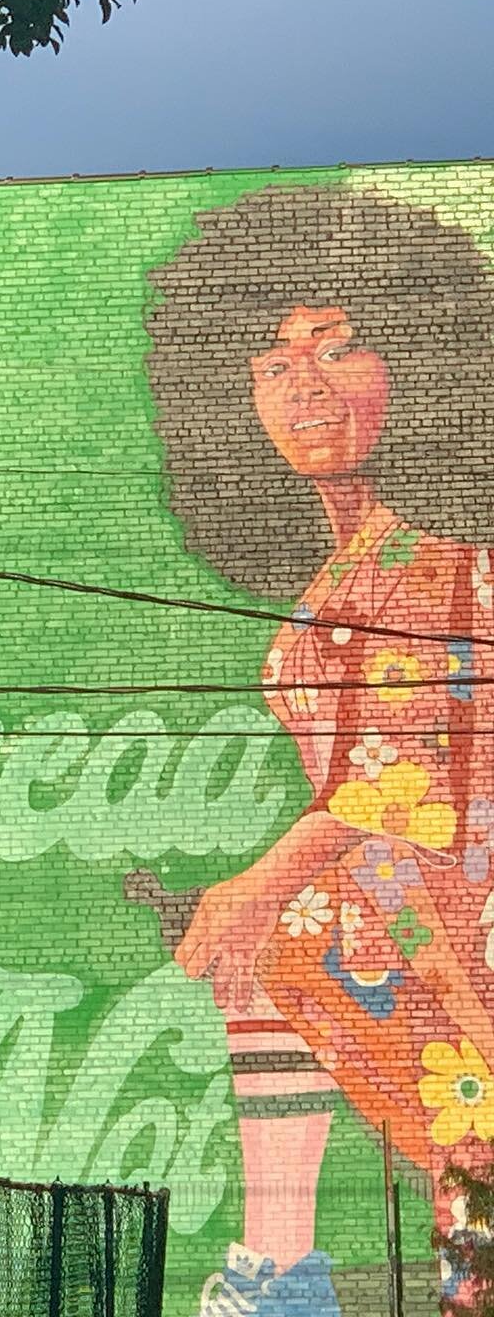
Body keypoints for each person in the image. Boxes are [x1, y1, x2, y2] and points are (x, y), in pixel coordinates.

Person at [143, 184, 494, 1317]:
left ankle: (282, 1273)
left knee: (288, 937)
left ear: (427, 363)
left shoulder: (445, 559)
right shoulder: (336, 577)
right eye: (271, 365)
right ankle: (280, 1269)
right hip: (412, 911)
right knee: (282, 955)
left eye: (341, 350)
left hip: (464, 908)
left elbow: (409, 777)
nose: (305, 386)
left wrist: (256, 889)